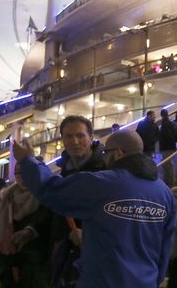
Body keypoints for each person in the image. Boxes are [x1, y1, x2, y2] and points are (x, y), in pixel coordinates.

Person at [13, 129, 176, 287]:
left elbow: (51, 189)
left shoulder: (101, 184)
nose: (104, 158)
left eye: (106, 153)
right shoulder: (165, 193)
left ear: (118, 153)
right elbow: (165, 249)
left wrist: (28, 161)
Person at [48, 115, 108, 287]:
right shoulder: (61, 174)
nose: (75, 141)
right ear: (62, 140)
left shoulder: (107, 171)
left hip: (97, 260)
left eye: (80, 135)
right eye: (68, 136)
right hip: (63, 258)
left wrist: (89, 235)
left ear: (90, 137)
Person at [0, 164, 52, 288]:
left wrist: (30, 231)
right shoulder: (9, 196)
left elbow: (48, 224)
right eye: (17, 173)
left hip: (38, 263)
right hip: (10, 260)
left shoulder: (46, 196)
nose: (21, 177)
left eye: (25, 172)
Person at [159, 109, 177, 187]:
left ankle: (170, 182)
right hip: (170, 147)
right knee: (168, 165)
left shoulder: (165, 124)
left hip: (167, 147)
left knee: (168, 165)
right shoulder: (169, 123)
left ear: (161, 115)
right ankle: (170, 181)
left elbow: (167, 136)